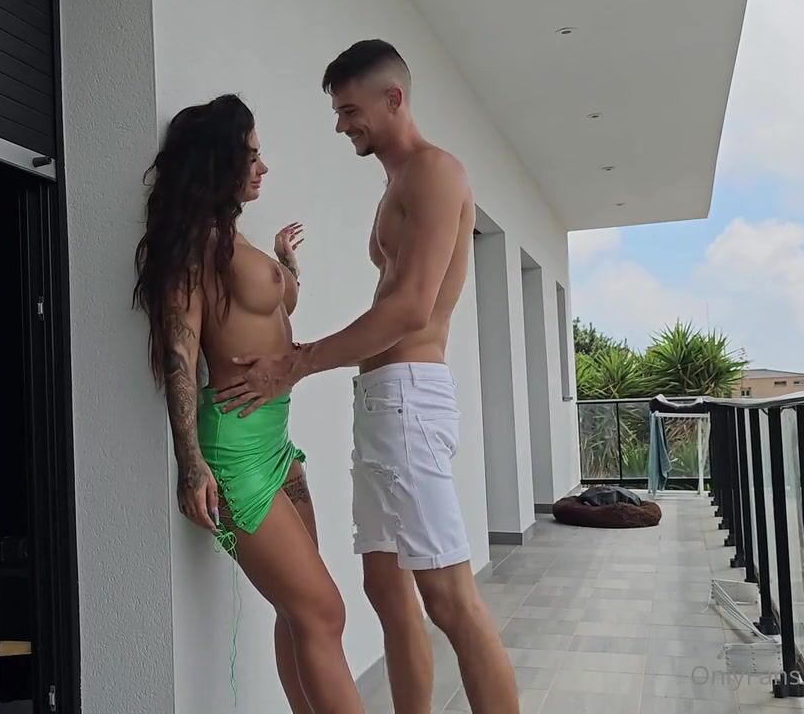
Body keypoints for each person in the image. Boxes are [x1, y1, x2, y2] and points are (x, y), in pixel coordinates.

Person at [216, 41, 520, 713]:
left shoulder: (434, 172)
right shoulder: (398, 183)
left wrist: (295, 363)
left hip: (410, 402)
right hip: (383, 404)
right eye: (337, 111)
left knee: (450, 598)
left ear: (393, 99)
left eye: (350, 110)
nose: (341, 125)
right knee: (386, 589)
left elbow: (410, 308)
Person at [133, 94, 364, 714]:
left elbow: (276, 313)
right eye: (252, 155)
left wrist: (287, 267)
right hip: (235, 450)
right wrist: (191, 464)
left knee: (299, 614)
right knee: (323, 612)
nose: (262, 167)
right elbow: (181, 353)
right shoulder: (195, 246)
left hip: (277, 441)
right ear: (219, 162)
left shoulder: (235, 241)